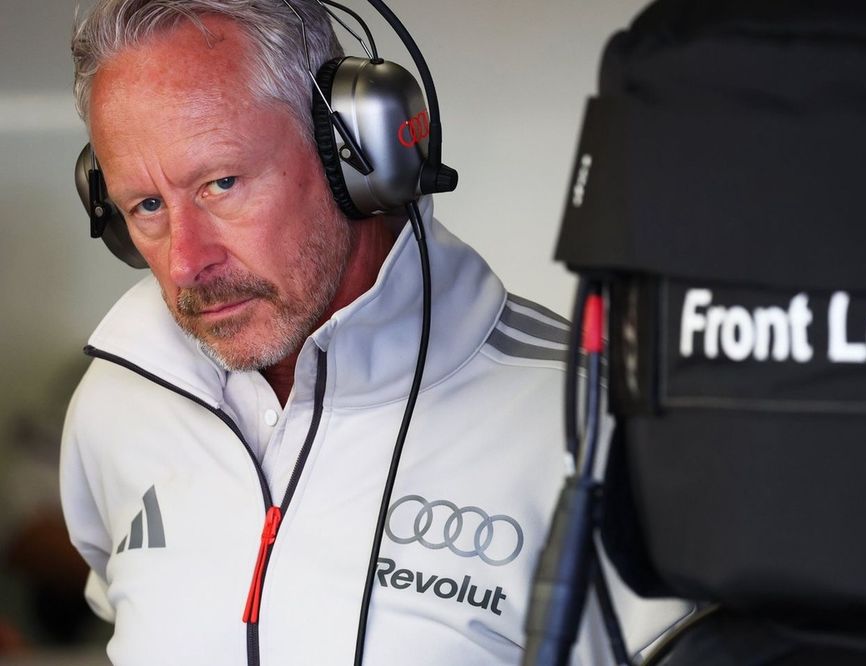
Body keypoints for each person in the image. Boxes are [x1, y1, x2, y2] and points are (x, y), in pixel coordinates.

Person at [60, 1, 686, 664]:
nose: (187, 261)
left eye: (221, 183)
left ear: (355, 153)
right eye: (146, 205)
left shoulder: (591, 425)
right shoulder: (115, 406)